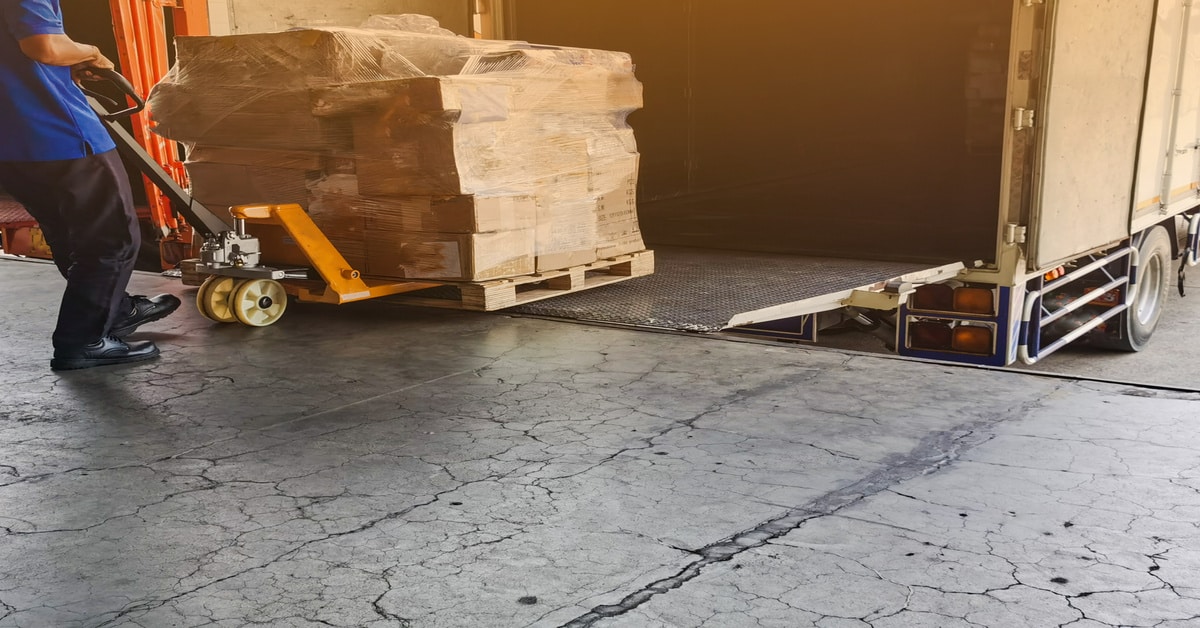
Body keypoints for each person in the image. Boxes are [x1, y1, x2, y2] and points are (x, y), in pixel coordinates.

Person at [1, 0, 181, 371]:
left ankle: (115, 310)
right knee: (112, 239)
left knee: (69, 233)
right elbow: (43, 46)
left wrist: (63, 64)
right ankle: (84, 339)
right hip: (58, 132)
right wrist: (91, 53)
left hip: (12, 141)